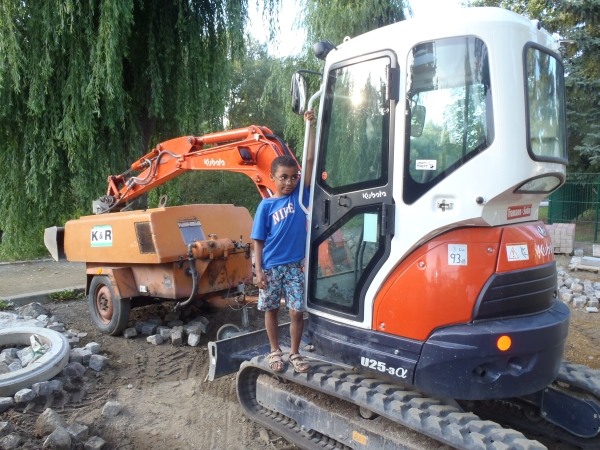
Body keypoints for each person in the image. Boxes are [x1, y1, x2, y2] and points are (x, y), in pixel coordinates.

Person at [251, 109, 316, 373]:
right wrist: (258, 272)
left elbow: (310, 161)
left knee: (297, 311)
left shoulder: (300, 197)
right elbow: (258, 241)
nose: (289, 182)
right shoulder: (266, 206)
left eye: (293, 177)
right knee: (270, 310)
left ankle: (295, 353)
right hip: (271, 267)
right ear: (273, 178)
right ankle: (274, 350)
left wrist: (308, 126)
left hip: (295, 267)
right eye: (283, 177)